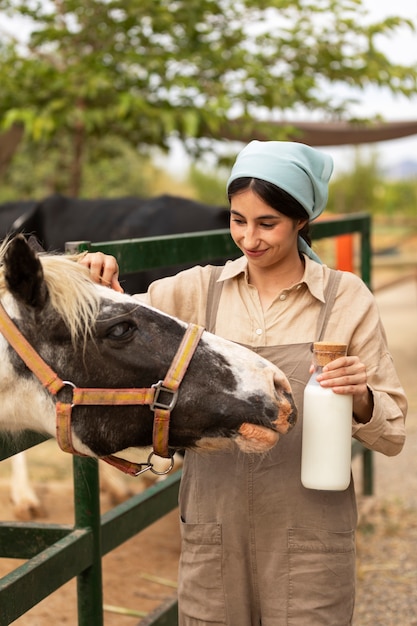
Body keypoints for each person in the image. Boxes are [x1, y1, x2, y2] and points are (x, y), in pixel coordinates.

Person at [81, 140, 407, 626]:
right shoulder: (196, 291)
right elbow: (114, 318)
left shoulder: (345, 298)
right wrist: (92, 274)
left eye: (267, 223)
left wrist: (359, 398)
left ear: (301, 220)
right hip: (213, 531)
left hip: (311, 535)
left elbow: (393, 433)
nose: (249, 238)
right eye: (238, 220)